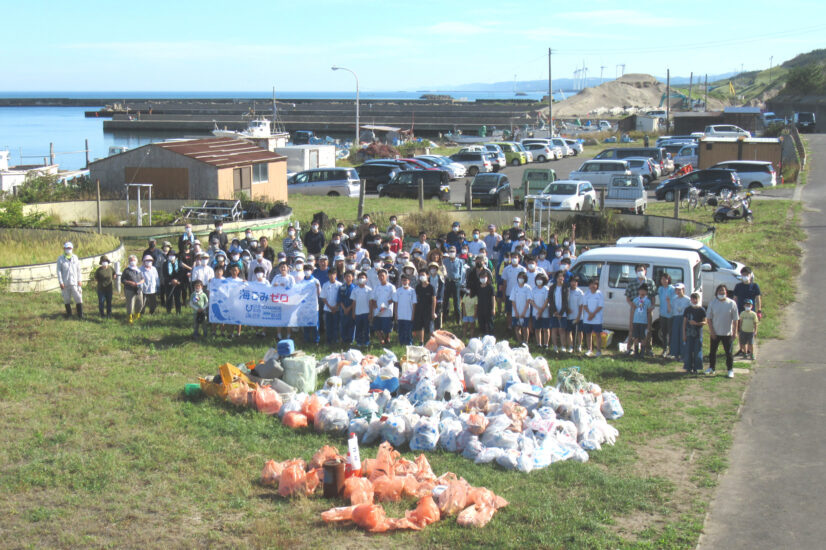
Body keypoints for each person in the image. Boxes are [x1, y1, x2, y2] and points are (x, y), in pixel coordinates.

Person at [706, 284, 739, 378]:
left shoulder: (732, 303)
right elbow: (709, 319)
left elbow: (736, 319)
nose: (722, 292)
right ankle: (712, 368)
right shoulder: (712, 303)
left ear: (726, 292)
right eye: (720, 290)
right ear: (717, 292)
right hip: (715, 332)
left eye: (723, 291)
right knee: (712, 352)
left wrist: (735, 331)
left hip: (727, 333)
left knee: (728, 353)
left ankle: (730, 370)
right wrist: (712, 332)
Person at [625, 264, 656, 352]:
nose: (640, 272)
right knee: (632, 328)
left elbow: (653, 296)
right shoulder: (632, 283)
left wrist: (652, 306)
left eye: (642, 270)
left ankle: (648, 349)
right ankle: (630, 348)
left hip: (647, 309)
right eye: (638, 270)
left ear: (645, 271)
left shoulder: (650, 282)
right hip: (635, 310)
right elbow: (627, 297)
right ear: (635, 272)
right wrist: (632, 304)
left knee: (648, 329)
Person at [733, 267, 762, 355]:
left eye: (747, 275)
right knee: (740, 331)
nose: (745, 276)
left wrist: (759, 310)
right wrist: (734, 310)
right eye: (743, 275)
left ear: (750, 275)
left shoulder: (754, 286)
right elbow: (735, 299)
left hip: (751, 313)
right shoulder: (738, 286)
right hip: (740, 312)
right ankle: (742, 349)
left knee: (750, 331)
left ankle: (749, 349)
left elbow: (758, 298)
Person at [57, 241, 83, 319]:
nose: (68, 250)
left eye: (69, 248)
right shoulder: (60, 259)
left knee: (78, 298)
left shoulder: (75, 258)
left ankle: (80, 315)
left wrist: (79, 280)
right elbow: (59, 271)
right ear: (64, 249)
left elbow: (79, 270)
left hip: (74, 282)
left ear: (72, 249)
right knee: (66, 299)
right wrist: (61, 282)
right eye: (66, 248)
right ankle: (69, 314)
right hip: (65, 282)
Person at [370, 268, 396, 346]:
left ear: (386, 276)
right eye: (379, 276)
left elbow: (393, 298)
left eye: (383, 275)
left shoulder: (391, 287)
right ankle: (381, 340)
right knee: (377, 327)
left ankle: (387, 338)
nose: (381, 277)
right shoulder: (376, 287)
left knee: (387, 328)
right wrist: (376, 307)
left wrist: (385, 305)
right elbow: (373, 299)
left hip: (387, 311)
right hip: (378, 311)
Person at [683, 292, 706, 374]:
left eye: (696, 299)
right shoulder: (687, 309)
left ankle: (697, 367)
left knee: (697, 351)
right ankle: (688, 367)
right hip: (689, 333)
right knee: (688, 350)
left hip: (698, 333)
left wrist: (696, 323)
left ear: (699, 299)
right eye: (693, 299)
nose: (694, 300)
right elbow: (684, 322)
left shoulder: (701, 309)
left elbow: (704, 322)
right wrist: (684, 334)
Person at [548, 271, 569, 353]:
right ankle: (555, 346)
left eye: (562, 276)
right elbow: (550, 299)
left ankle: (563, 346)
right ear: (556, 278)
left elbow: (566, 301)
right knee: (554, 329)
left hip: (562, 313)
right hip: (554, 312)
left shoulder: (566, 287)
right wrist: (555, 311)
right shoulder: (552, 287)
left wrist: (560, 313)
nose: (560, 278)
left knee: (562, 330)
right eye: (559, 276)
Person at [413, 270, 436, 345]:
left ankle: (431, 343)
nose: (421, 277)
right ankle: (421, 342)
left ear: (427, 276)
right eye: (420, 275)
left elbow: (434, 300)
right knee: (420, 327)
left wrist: (433, 312)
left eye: (423, 275)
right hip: (419, 309)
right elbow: (416, 299)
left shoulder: (431, 287)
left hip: (428, 310)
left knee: (430, 328)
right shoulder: (418, 287)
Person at [442, 246, 465, 322]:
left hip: (456, 282)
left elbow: (461, 273)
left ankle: (458, 320)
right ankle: (444, 319)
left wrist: (460, 282)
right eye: (450, 251)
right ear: (448, 252)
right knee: (445, 301)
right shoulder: (444, 261)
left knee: (457, 301)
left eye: (453, 251)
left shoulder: (459, 261)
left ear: (456, 252)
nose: (452, 252)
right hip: (447, 282)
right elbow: (440, 270)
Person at [582, 278, 604, 356]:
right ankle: (589, 349)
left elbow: (600, 306)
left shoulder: (600, 294)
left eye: (595, 284)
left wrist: (593, 314)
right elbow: (584, 305)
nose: (593, 286)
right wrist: (589, 314)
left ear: (597, 285)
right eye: (591, 284)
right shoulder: (586, 294)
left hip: (597, 318)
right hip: (587, 318)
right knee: (588, 334)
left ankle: (598, 351)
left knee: (598, 334)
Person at [320, 269, 342, 346]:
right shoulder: (325, 285)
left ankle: (336, 341)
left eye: (333, 274)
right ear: (328, 275)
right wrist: (330, 307)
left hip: (337, 309)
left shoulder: (340, 285)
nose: (332, 276)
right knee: (328, 326)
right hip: (327, 309)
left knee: (336, 326)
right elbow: (323, 297)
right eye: (330, 274)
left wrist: (336, 306)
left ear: (336, 275)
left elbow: (341, 297)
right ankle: (328, 341)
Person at [393, 274, 417, 345]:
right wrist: (396, 313)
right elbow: (396, 303)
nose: (404, 282)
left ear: (409, 281)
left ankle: (409, 343)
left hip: (409, 315)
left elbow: (414, 303)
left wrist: (413, 314)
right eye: (403, 280)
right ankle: (401, 343)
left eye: (406, 280)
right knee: (401, 330)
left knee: (408, 331)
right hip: (400, 315)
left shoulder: (412, 291)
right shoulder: (398, 290)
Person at [669, 283, 691, 359]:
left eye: (679, 290)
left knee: (683, 336)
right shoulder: (674, 299)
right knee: (675, 336)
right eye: (676, 290)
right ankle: (675, 353)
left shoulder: (688, 300)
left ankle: (683, 354)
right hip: (676, 318)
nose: (678, 291)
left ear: (683, 290)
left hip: (684, 319)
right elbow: (671, 309)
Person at [121, 254, 144, 324]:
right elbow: (123, 280)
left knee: (140, 303)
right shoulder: (126, 270)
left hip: (138, 289)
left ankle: (137, 315)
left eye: (134, 260)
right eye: (131, 260)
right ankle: (129, 318)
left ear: (136, 261)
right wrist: (130, 282)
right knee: (130, 304)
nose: (132, 262)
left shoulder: (138, 270)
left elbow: (143, 279)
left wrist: (139, 283)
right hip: (129, 290)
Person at [630, 286, 653, 356]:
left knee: (643, 337)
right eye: (641, 291)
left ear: (646, 292)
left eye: (644, 291)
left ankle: (642, 352)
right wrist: (631, 322)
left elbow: (649, 313)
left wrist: (649, 324)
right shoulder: (635, 300)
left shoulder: (648, 301)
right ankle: (636, 352)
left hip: (644, 322)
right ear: (638, 291)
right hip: (636, 321)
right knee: (635, 337)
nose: (642, 292)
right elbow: (632, 311)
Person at [352, 272, 373, 347]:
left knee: (366, 329)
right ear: (357, 280)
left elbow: (371, 302)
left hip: (366, 312)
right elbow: (354, 302)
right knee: (358, 328)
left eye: (363, 277)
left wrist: (371, 313)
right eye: (360, 278)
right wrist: (353, 312)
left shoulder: (369, 290)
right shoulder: (355, 290)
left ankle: (366, 342)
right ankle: (359, 342)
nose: (362, 279)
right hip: (358, 312)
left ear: (366, 279)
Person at [657, 273, 676, 356]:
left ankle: (671, 351)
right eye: (662, 279)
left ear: (669, 280)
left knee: (671, 333)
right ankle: (664, 349)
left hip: (670, 314)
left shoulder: (672, 289)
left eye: (665, 279)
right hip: (662, 314)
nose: (664, 281)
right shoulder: (660, 289)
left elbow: (673, 300)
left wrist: (669, 306)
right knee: (663, 333)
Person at [511, 272, 532, 345]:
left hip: (525, 312)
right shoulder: (515, 287)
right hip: (516, 312)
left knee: (525, 328)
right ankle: (520, 341)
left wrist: (524, 312)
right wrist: (516, 312)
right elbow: (512, 300)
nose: (521, 279)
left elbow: (528, 300)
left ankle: (526, 341)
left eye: (522, 278)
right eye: (519, 277)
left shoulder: (528, 287)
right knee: (517, 328)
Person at [530, 273, 550, 349]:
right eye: (538, 279)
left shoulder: (546, 289)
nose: (539, 281)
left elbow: (547, 300)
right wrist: (538, 309)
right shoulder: (534, 289)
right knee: (537, 329)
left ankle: (546, 344)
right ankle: (539, 344)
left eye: (541, 279)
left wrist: (541, 310)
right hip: (536, 312)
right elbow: (531, 300)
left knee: (545, 329)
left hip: (545, 312)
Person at [162, 250, 184, 314]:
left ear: (175, 256)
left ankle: (178, 312)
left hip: (177, 284)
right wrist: (171, 281)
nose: (171, 256)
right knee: (169, 298)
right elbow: (164, 274)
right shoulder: (165, 264)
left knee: (177, 298)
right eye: (170, 255)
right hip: (168, 283)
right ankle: (168, 311)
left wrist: (177, 280)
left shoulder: (179, 263)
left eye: (173, 255)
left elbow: (181, 273)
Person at [567, 275, 585, 353]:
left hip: (578, 316)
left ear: (577, 283)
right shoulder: (567, 291)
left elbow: (581, 305)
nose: (573, 283)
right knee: (569, 331)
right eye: (572, 281)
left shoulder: (580, 292)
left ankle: (579, 345)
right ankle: (571, 346)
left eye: (575, 282)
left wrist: (579, 316)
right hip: (569, 316)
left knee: (579, 332)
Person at [339, 270, 356, 346]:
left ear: (352, 277)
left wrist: (349, 308)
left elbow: (355, 300)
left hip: (352, 309)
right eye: (346, 276)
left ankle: (350, 340)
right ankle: (344, 339)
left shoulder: (355, 288)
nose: (347, 278)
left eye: (349, 276)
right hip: (343, 309)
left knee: (351, 325)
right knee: (343, 324)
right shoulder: (342, 287)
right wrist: (344, 308)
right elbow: (339, 299)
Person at [476, 271, 495, 336]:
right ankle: (483, 336)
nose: (483, 278)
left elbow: (493, 298)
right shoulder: (478, 287)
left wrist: (493, 308)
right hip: (480, 308)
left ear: (487, 278)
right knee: (481, 324)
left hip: (489, 308)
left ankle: (491, 336)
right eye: (481, 277)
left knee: (490, 324)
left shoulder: (490, 287)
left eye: (484, 277)